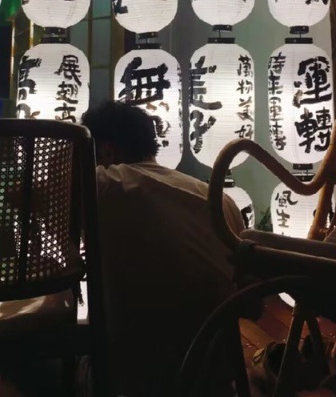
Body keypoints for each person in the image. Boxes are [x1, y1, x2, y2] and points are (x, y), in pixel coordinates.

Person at [81, 100, 245, 397]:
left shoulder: (106, 184)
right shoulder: (219, 198)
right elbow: (252, 305)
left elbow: (21, 196)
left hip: (131, 383)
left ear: (106, 152)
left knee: (18, 349)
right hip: (217, 381)